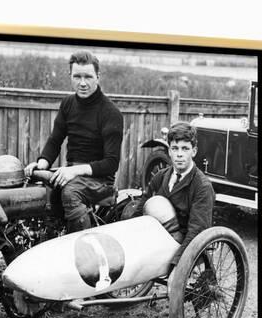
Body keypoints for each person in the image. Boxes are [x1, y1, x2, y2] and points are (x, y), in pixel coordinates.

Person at [24, 50, 123, 233]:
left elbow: (111, 163)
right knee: (31, 184)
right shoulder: (68, 104)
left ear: (97, 77)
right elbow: (55, 140)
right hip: (71, 172)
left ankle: (82, 247)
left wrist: (74, 171)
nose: (83, 83)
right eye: (77, 76)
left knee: (70, 193)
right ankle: (46, 236)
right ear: (70, 76)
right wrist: (40, 164)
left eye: (88, 76)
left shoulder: (110, 113)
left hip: (100, 180)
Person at [134, 121, 215, 267]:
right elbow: (141, 208)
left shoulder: (202, 187)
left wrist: (176, 265)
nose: (179, 155)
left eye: (185, 149)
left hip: (183, 244)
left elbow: (197, 232)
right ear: (169, 151)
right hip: (157, 237)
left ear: (194, 151)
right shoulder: (161, 176)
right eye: (175, 148)